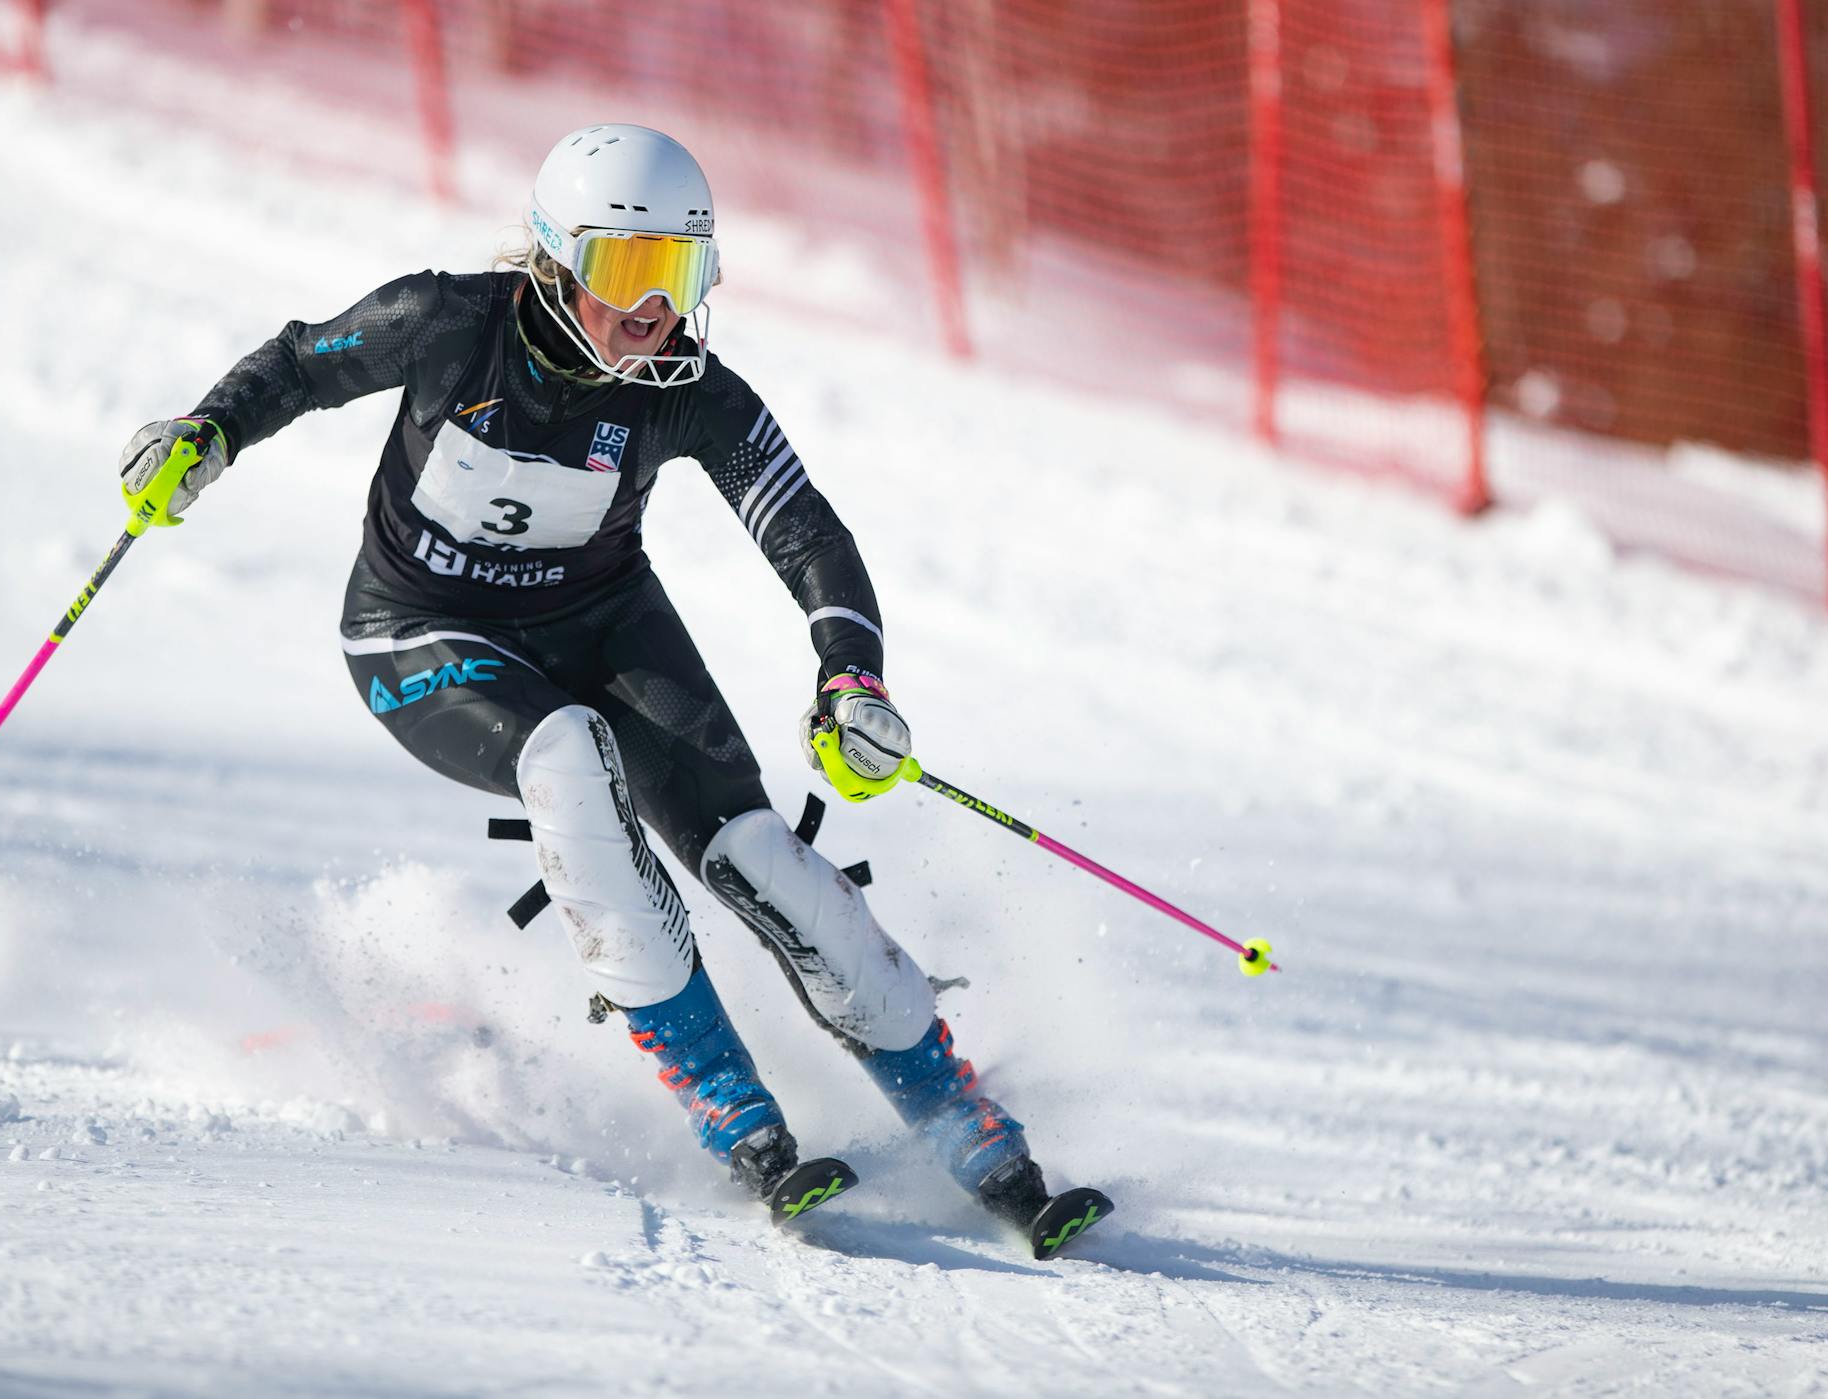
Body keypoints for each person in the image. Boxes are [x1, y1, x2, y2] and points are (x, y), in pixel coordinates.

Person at [118, 124, 1097, 1252]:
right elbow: (297, 364)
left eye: (677, 277)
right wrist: (206, 436)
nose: (654, 313)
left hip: (601, 624)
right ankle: (735, 1114)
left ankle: (978, 1138)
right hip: (417, 632)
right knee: (569, 757)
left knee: (761, 857)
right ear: (552, 260)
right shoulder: (445, 323)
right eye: (628, 274)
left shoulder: (692, 394)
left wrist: (851, 679)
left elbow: (807, 530)